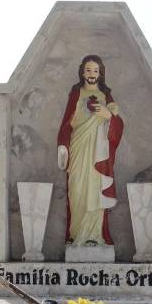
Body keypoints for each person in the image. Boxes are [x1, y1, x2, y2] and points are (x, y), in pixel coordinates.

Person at [56, 54, 124, 246]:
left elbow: (118, 125)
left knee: (95, 190)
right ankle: (76, 233)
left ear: (100, 73)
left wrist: (109, 115)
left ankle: (94, 235)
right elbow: (66, 122)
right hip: (78, 146)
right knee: (77, 189)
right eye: (88, 70)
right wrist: (62, 144)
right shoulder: (76, 93)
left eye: (95, 70)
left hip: (98, 152)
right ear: (82, 72)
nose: (91, 74)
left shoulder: (105, 96)